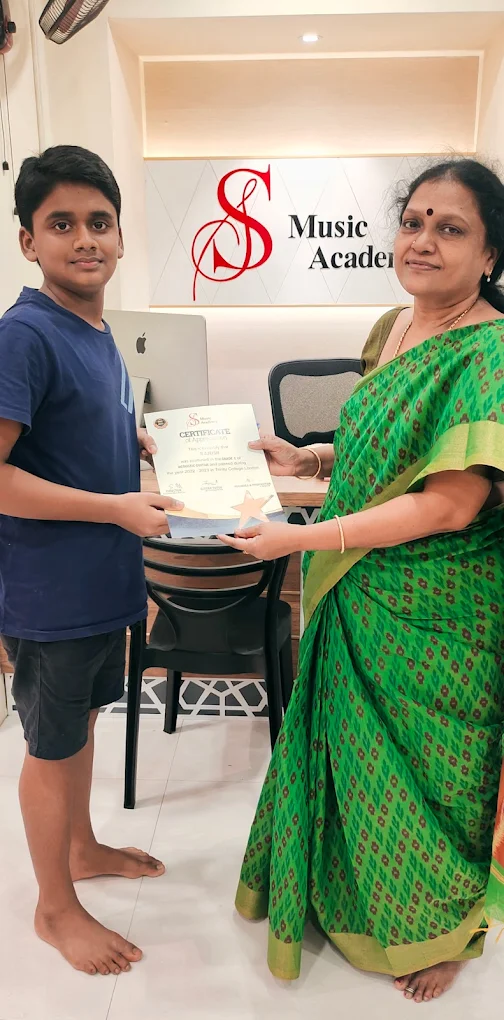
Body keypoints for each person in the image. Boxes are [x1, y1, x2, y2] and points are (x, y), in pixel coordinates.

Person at [221, 158, 504, 1002]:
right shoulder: (394, 328)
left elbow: (450, 503)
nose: (422, 241)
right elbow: (397, 453)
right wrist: (306, 455)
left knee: (432, 767)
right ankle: (350, 891)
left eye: (449, 228)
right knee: (356, 756)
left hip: (437, 601)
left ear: (490, 254)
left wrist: (301, 537)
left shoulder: (491, 353)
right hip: (358, 585)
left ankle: (440, 925)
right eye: (413, 221)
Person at [0, 145, 182, 976]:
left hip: (102, 578)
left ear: (120, 234)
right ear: (27, 240)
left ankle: (80, 847)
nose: (85, 239)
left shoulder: (98, 331)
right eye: (61, 223)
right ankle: (52, 908)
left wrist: (139, 442)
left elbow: (66, 441)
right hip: (50, 588)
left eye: (99, 222)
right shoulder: (24, 337)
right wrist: (115, 507)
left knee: (82, 723)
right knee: (50, 742)